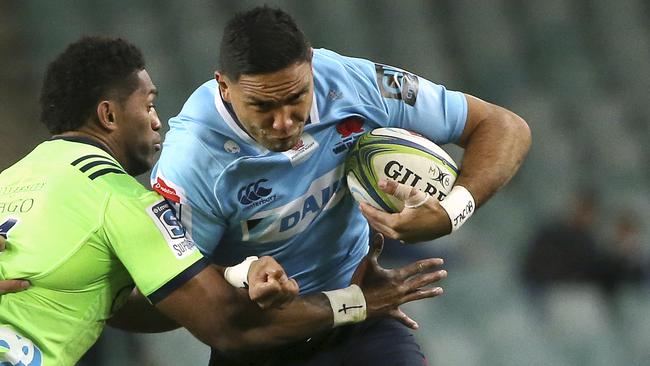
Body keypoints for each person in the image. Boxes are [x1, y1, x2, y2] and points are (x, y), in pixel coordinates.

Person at [0, 36, 448, 366]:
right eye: (149, 104)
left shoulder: (13, 179)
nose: (158, 123)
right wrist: (359, 302)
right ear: (109, 115)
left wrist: (240, 269)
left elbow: (152, 295)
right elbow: (227, 325)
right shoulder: (121, 199)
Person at [151, 6, 531, 365]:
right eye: (263, 107)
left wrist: (451, 212)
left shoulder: (351, 83)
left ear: (312, 66)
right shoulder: (193, 161)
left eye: (296, 97)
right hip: (263, 340)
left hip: (362, 322)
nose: (284, 122)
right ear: (224, 87)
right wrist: (242, 273)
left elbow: (504, 127)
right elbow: (175, 291)